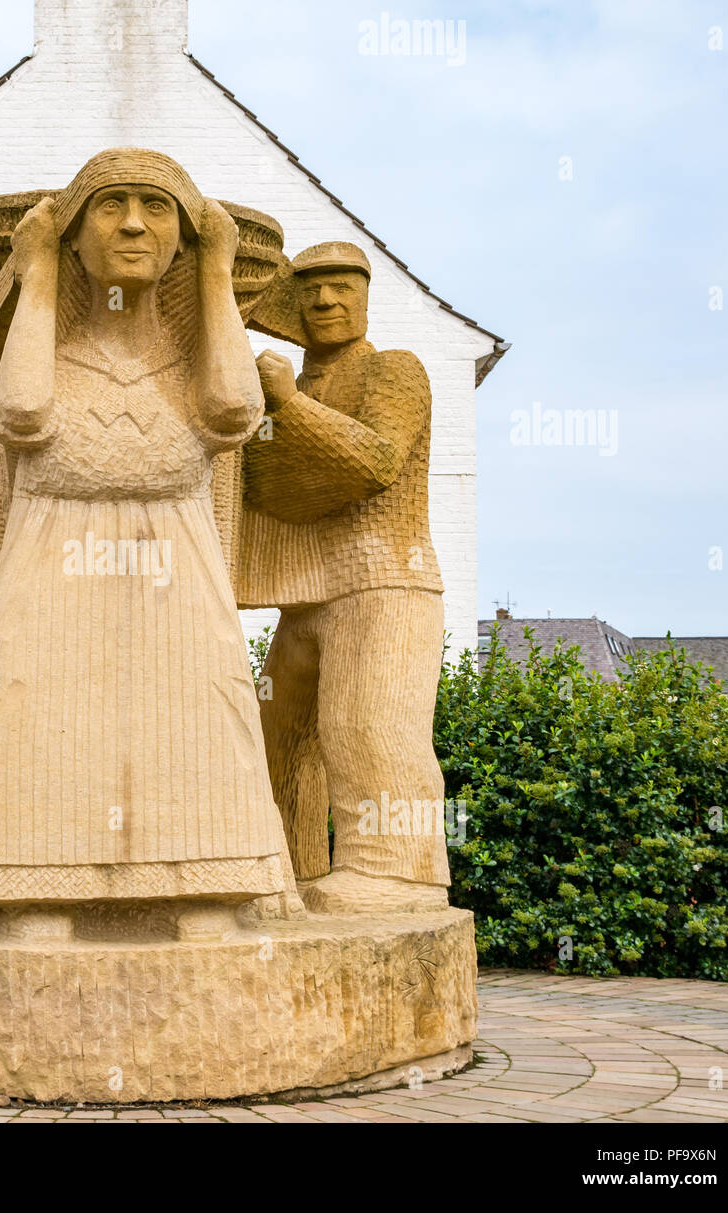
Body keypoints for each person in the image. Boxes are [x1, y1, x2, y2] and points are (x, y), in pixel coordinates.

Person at [0, 149, 290, 941]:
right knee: (37, 714)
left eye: (157, 207)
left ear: (183, 237)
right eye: (110, 204)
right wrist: (33, 273)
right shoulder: (47, 346)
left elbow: (236, 410)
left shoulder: (195, 354)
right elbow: (22, 412)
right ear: (72, 234)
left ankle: (205, 883)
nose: (134, 222)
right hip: (50, 563)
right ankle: (34, 889)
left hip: (178, 569)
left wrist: (217, 272)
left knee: (198, 718)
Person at [245, 241, 451, 913]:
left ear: (365, 297)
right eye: (309, 292)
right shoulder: (291, 389)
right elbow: (272, 489)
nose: (325, 301)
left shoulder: (394, 369)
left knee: (369, 726)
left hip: (386, 579)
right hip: (310, 592)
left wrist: (286, 407)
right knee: (273, 737)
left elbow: (374, 459)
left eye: (339, 288)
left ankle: (401, 872)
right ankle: (290, 866)